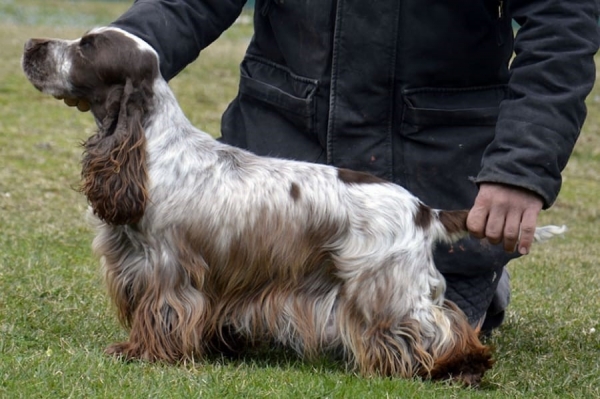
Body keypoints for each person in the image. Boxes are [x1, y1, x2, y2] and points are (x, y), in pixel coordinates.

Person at [64, 0, 599, 332]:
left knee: (425, 342)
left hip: (431, 175)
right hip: (261, 206)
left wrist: (519, 166)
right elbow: (188, 1)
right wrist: (108, 60)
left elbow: (562, 28)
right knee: (230, 334)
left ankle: (450, 276)